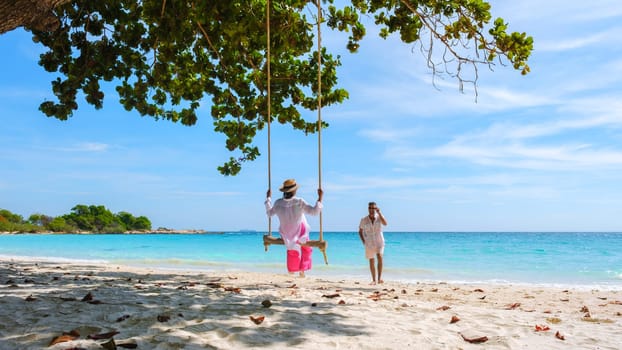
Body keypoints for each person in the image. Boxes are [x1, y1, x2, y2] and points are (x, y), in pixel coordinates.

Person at [265, 179, 323, 277]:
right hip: (300, 232)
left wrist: (268, 199)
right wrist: (320, 198)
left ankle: (292, 270)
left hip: (287, 234)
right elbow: (314, 212)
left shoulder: (278, 203)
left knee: (292, 251)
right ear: (294, 191)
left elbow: (269, 213)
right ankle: (302, 270)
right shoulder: (299, 201)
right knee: (306, 248)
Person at [359, 201, 388, 285]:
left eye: (374, 208)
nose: (372, 210)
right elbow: (360, 231)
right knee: (371, 260)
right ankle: (374, 280)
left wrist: (379, 212)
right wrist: (364, 241)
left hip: (379, 241)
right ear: (368, 209)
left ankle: (379, 279)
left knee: (380, 257)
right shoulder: (364, 220)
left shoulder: (379, 217)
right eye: (370, 208)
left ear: (376, 208)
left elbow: (385, 223)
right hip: (369, 242)